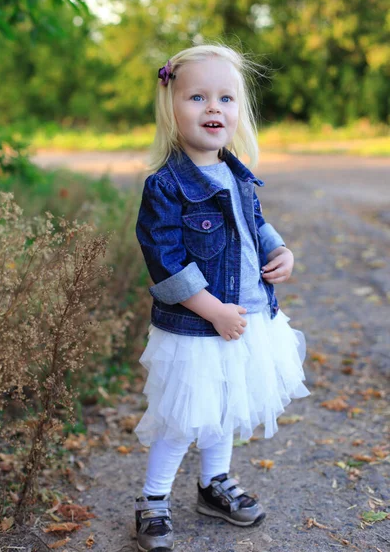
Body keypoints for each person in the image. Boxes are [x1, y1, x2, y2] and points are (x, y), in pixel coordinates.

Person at [134, 43, 310, 552]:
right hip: (197, 324)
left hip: (249, 316)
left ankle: (214, 484)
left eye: (226, 98)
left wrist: (281, 250)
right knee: (183, 414)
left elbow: (254, 224)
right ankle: (153, 500)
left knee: (225, 406)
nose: (214, 108)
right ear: (172, 107)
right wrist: (211, 309)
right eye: (197, 97)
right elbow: (164, 259)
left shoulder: (236, 173)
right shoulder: (165, 185)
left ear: (239, 111)